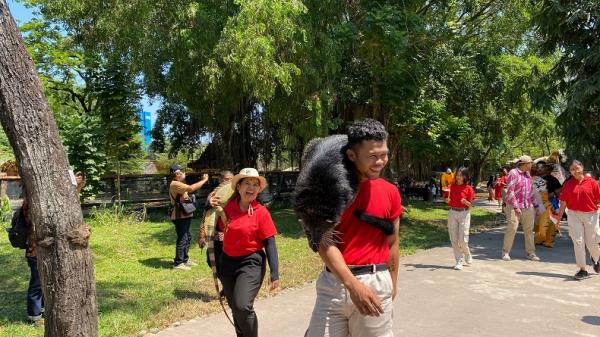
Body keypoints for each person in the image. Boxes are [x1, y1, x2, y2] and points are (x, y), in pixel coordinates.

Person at [305, 119, 403, 337]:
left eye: (384, 154)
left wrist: (391, 284)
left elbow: (393, 242)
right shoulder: (330, 192)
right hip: (334, 284)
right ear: (352, 155)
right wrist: (352, 285)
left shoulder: (390, 192)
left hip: (376, 282)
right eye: (372, 156)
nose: (380, 161)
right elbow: (323, 242)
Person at [218, 168, 279, 337]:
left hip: (251, 262)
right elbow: (219, 231)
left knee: (242, 305)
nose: (251, 188)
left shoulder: (261, 213)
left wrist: (275, 273)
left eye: (255, 185)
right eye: (247, 183)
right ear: (238, 187)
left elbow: (270, 243)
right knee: (235, 307)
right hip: (227, 264)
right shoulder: (228, 208)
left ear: (258, 190)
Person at [552, 160, 600, 280]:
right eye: (572, 169)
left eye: (577, 168)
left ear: (582, 168)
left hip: (591, 215)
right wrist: (558, 217)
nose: (575, 170)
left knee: (592, 242)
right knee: (578, 241)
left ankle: (596, 259)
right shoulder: (568, 184)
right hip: (573, 214)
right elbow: (563, 202)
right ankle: (582, 269)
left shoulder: (592, 183)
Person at [169, 164, 209, 271]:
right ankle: (178, 263)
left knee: (188, 237)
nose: (183, 173)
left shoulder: (180, 183)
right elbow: (191, 188)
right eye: (181, 171)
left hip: (185, 214)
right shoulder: (175, 184)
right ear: (176, 174)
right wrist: (204, 180)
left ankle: (185, 260)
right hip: (179, 216)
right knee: (182, 238)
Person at [502, 155, 541, 262]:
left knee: (529, 231)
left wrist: (536, 205)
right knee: (512, 229)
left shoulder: (528, 175)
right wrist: (516, 207)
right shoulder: (513, 173)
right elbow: (510, 191)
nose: (532, 165)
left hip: (527, 206)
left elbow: (531, 191)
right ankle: (505, 252)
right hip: (514, 207)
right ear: (525, 164)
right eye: (530, 163)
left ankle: (531, 253)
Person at [199, 170, 235, 272]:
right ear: (220, 180)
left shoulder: (237, 193)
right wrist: (201, 235)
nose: (229, 182)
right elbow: (205, 216)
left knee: (228, 264)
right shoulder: (213, 195)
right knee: (212, 262)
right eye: (227, 179)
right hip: (216, 236)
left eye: (232, 179)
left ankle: (228, 286)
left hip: (231, 235)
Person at [19, 196, 44, 326]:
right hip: (35, 251)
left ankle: (43, 309)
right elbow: (34, 223)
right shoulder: (30, 202)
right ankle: (34, 317)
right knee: (37, 284)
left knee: (45, 282)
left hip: (43, 250)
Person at [445, 167, 476, 270]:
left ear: (465, 176)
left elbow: (472, 205)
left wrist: (466, 202)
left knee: (462, 240)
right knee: (453, 239)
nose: (458, 177)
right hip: (452, 212)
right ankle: (459, 261)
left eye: (461, 175)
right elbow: (446, 199)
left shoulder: (468, 188)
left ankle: (467, 253)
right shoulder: (451, 187)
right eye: (457, 175)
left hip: (464, 213)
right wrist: (446, 200)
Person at [534, 162, 562, 247]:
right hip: (537, 204)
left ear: (546, 168)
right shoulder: (534, 179)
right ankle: (539, 238)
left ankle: (549, 240)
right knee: (537, 223)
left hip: (549, 203)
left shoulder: (552, 179)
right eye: (537, 167)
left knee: (550, 223)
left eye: (541, 167)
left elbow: (559, 191)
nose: (539, 168)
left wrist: (553, 195)